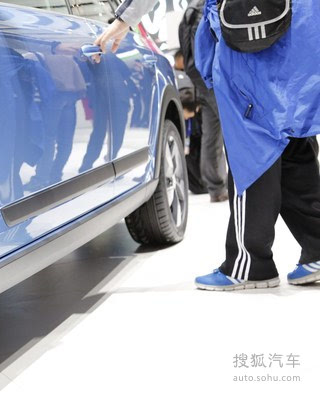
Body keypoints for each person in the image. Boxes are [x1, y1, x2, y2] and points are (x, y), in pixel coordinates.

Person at [95, 0, 320, 289]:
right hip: (299, 29)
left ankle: (249, 263)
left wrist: (124, 19)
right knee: (291, 139)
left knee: (252, 149)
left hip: (249, 33)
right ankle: (317, 248)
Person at [178, 0, 228, 202]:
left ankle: (216, 189)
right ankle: (241, 186)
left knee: (211, 134)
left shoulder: (190, 10)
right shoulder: (206, 7)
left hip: (198, 78)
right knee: (232, 130)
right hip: (213, 77)